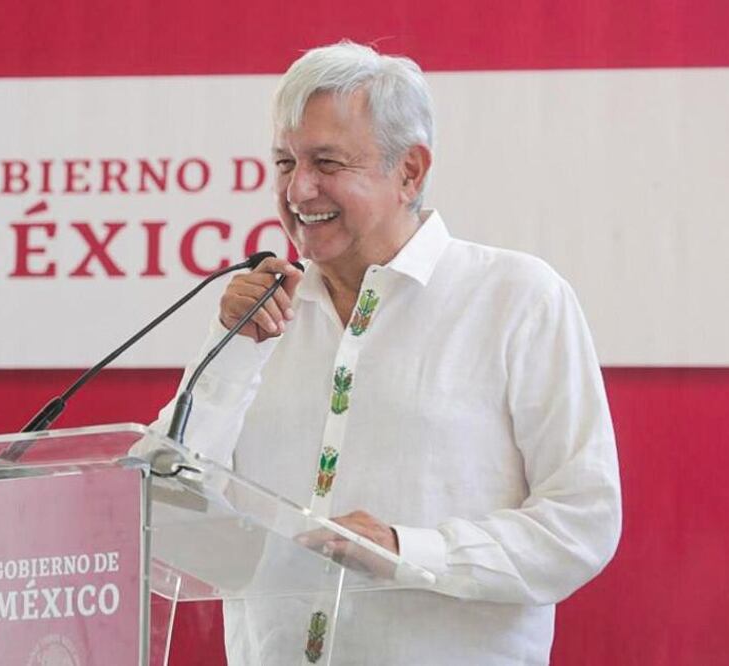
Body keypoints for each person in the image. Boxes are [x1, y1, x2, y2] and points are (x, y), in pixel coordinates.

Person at [152, 41, 621, 665]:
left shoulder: (517, 299)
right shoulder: (262, 317)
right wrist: (230, 351)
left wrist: (408, 549)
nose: (299, 188)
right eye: (284, 161)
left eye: (327, 161)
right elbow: (158, 504)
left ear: (411, 172)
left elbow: (581, 523)